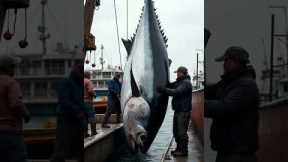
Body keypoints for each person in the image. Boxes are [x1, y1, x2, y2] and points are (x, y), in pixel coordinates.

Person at [205, 46, 259, 162]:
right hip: (227, 153)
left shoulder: (246, 85)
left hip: (239, 156)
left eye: (226, 61)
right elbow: (210, 91)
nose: (223, 65)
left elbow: (225, 108)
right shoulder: (229, 83)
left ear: (235, 61)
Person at [50, 63, 91, 162]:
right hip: (66, 119)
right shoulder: (66, 82)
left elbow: (80, 102)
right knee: (61, 149)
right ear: (75, 69)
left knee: (79, 150)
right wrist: (79, 112)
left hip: (77, 120)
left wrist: (86, 113)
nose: (81, 72)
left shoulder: (79, 84)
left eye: (82, 70)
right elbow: (64, 101)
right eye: (80, 69)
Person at [0, 55, 30, 162]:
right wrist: (26, 114)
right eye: (13, 67)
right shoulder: (11, 83)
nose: (15, 69)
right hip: (10, 132)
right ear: (8, 68)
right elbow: (16, 104)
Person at [158, 66, 192, 156]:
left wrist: (163, 89)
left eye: (178, 72)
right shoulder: (179, 82)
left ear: (182, 73)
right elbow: (170, 85)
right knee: (176, 131)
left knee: (181, 132)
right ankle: (178, 148)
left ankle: (184, 150)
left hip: (183, 112)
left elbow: (176, 92)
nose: (177, 74)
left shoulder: (186, 83)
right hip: (178, 110)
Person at [84, 71, 97, 136]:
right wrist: (94, 94)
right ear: (88, 75)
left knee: (84, 118)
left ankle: (85, 133)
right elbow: (90, 91)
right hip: (88, 102)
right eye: (90, 75)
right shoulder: (88, 81)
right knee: (92, 117)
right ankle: (93, 132)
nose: (90, 76)